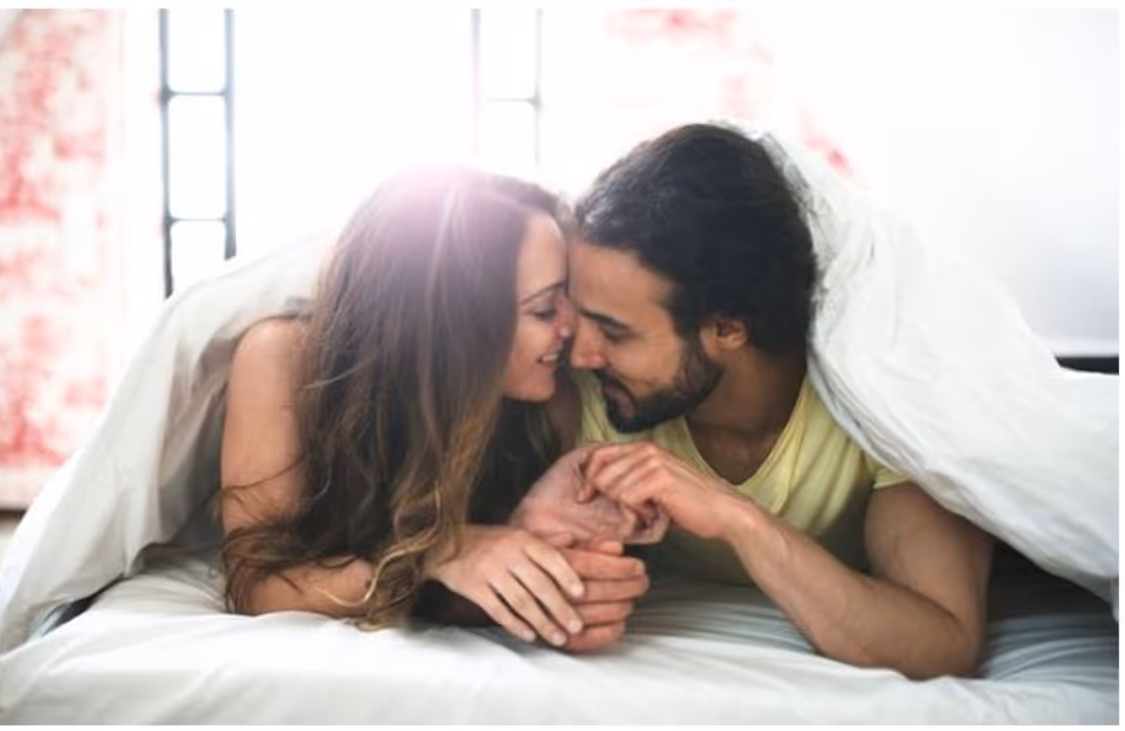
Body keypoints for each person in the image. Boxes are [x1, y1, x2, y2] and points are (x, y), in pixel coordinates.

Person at [555, 123, 995, 679]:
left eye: (615, 332)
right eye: (578, 318)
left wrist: (737, 519)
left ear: (727, 327)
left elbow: (943, 646)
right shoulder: (594, 395)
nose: (580, 355)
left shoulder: (880, 405)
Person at [218, 165, 654, 654]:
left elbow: (462, 587)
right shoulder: (283, 359)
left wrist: (548, 569)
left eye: (567, 296)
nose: (574, 329)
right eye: (544, 309)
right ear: (456, 323)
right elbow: (257, 587)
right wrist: (436, 553)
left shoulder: (549, 397)